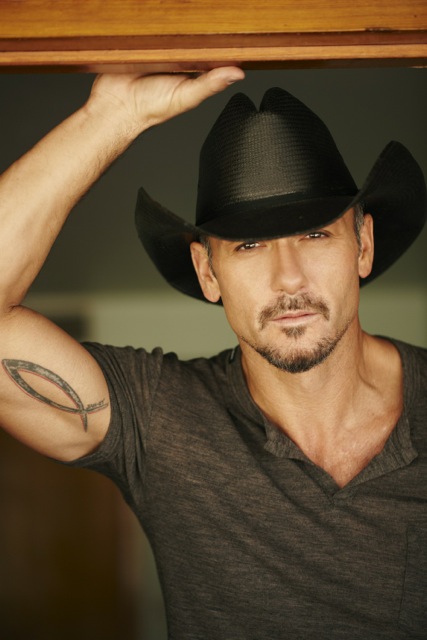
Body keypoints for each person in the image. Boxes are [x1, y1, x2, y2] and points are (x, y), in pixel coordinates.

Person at [0, 68, 426, 639]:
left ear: (363, 245)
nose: (288, 277)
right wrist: (112, 116)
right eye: (249, 245)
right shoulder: (161, 420)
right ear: (207, 271)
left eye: (315, 234)